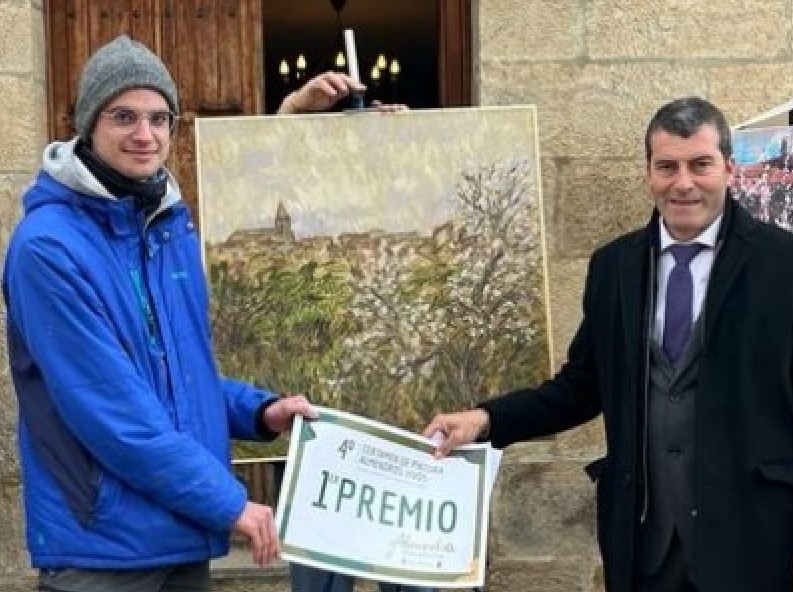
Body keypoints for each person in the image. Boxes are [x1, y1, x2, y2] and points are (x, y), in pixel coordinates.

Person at [423, 96, 793, 592]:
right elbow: (580, 387)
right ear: (648, 174)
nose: (683, 182)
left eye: (699, 164)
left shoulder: (781, 264)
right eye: (667, 166)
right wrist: (486, 420)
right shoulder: (613, 268)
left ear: (728, 168)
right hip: (645, 547)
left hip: (757, 544)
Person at [3, 34, 319, 592]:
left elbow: (173, 378)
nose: (145, 134)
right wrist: (229, 502)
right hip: (103, 548)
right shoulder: (47, 246)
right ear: (87, 125)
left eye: (159, 117)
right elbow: (113, 411)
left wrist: (259, 411)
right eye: (123, 115)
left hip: (176, 534)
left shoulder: (167, 226)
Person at [275, 71, 432, 592]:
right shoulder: (317, 223)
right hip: (327, 445)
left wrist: (421, 144)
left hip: (414, 447)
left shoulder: (416, 220)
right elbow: (265, 176)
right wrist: (295, 112)